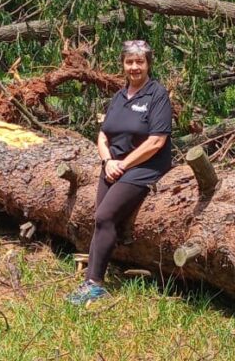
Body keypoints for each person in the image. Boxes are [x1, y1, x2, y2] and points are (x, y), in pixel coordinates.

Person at [66, 39, 172, 306]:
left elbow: (156, 141)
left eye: (140, 62)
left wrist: (123, 165)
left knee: (105, 215)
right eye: (129, 62)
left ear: (148, 64)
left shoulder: (157, 96)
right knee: (101, 220)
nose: (134, 67)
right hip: (113, 166)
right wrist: (107, 161)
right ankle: (96, 273)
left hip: (145, 168)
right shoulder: (119, 96)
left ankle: (94, 285)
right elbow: (102, 134)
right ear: (123, 65)